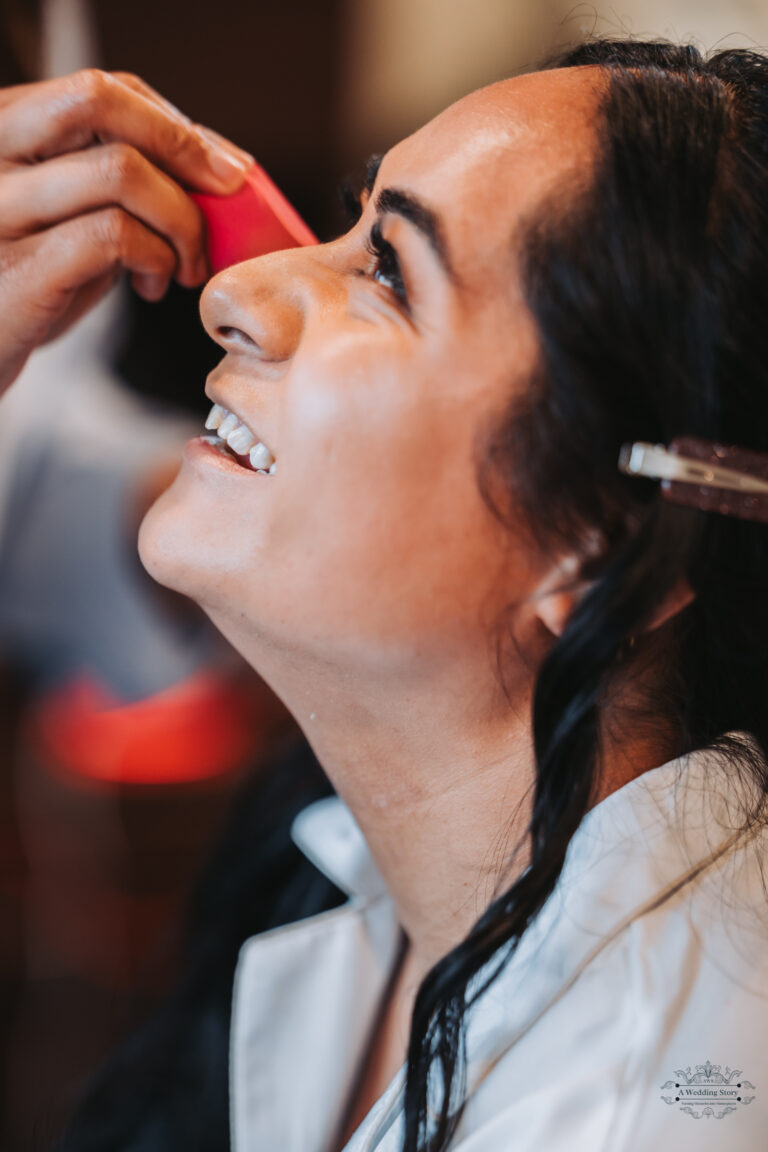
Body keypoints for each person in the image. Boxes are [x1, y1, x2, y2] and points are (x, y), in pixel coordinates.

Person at [2, 36, 768, 1152]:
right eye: (352, 227)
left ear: (602, 538)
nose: (234, 293)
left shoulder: (638, 1112)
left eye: (390, 271)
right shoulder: (325, 871)